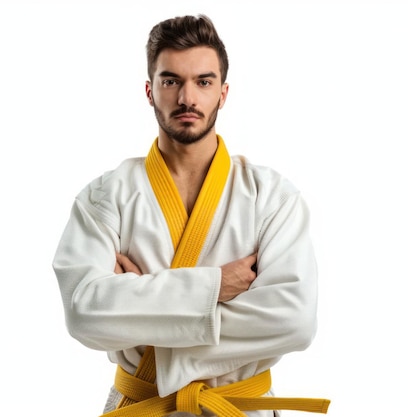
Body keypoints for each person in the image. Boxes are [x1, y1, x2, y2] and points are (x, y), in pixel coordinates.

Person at [52, 14, 330, 417]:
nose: (187, 98)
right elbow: (84, 312)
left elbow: (294, 320)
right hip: (143, 404)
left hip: (238, 405)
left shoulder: (270, 197)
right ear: (150, 91)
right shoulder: (105, 197)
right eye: (171, 81)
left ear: (223, 92)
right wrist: (215, 286)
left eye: (203, 81)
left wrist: (142, 303)